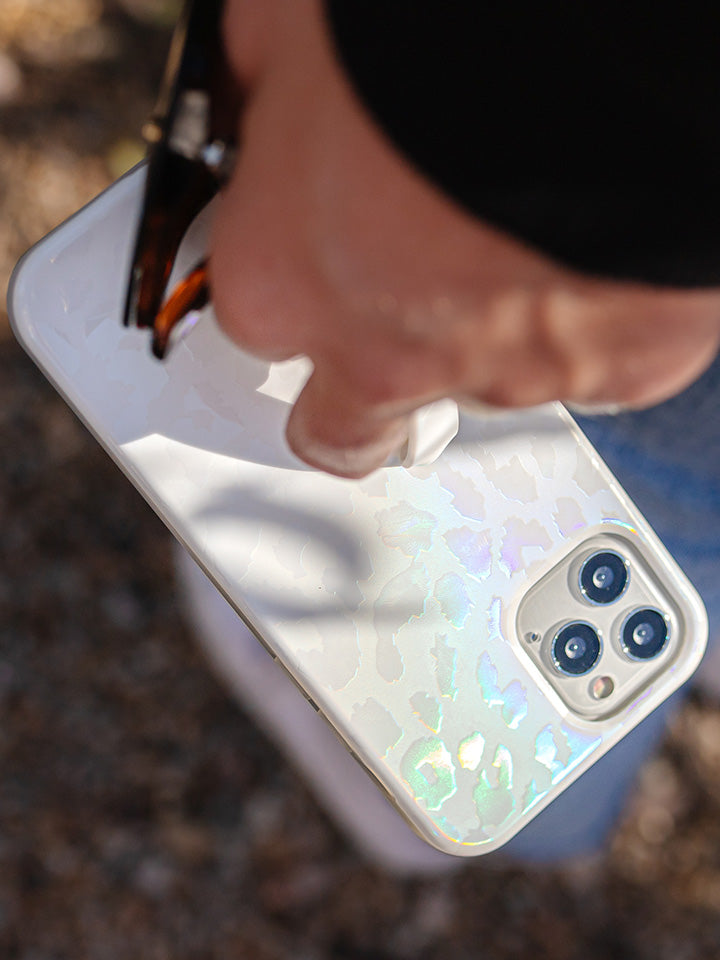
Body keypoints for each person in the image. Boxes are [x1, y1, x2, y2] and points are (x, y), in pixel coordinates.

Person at [179, 0, 720, 871]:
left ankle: (479, 786)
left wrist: (449, 116)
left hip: (602, 169)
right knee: (656, 552)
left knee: (618, 532)